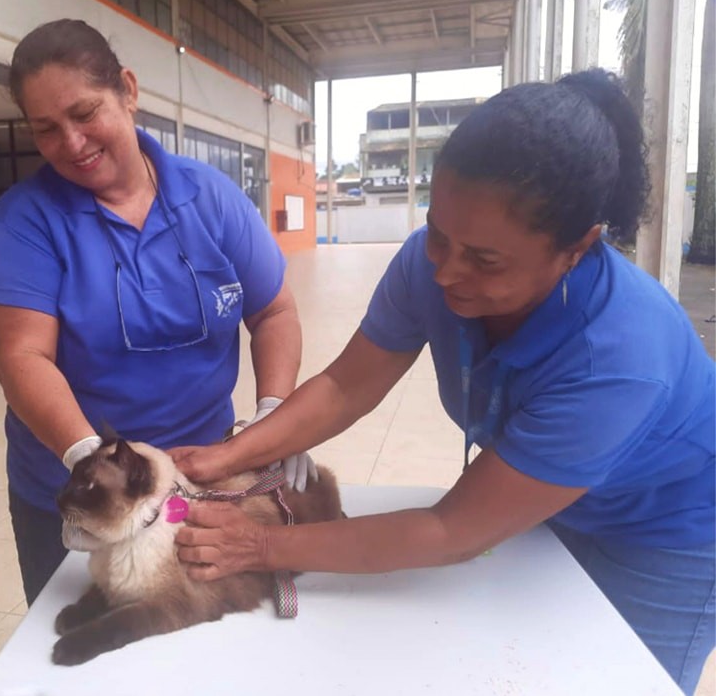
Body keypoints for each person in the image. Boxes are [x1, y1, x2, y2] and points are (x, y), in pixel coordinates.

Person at [172, 69, 715, 694]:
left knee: (621, 681)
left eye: (484, 259)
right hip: (553, 506)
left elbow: (453, 530)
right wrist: (228, 454)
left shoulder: (619, 356)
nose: (448, 272)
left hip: (668, 534)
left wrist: (263, 546)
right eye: (438, 235)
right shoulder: (428, 266)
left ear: (577, 247)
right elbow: (348, 386)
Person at [0, 19, 311, 606]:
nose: (71, 144)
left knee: (194, 623)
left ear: (127, 89)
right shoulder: (24, 225)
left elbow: (274, 311)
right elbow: (20, 355)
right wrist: (85, 460)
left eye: (84, 113)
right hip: (85, 498)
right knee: (90, 648)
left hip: (200, 479)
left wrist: (272, 414)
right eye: (46, 129)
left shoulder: (209, 197)